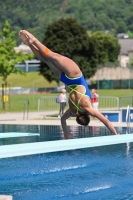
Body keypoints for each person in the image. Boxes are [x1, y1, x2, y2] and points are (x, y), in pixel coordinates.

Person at [19, 30, 118, 137]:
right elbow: (62, 119)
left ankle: (34, 41)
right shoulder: (72, 110)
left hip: (75, 76)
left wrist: (115, 134)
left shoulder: (88, 109)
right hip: (65, 80)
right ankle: (30, 44)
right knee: (45, 60)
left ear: (88, 116)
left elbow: (105, 121)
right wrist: (66, 133)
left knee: (53, 56)